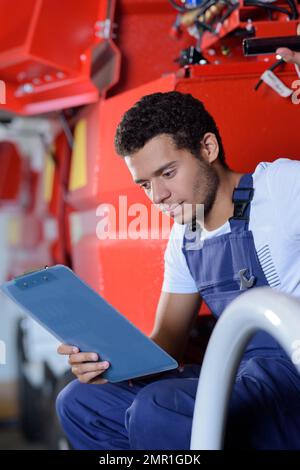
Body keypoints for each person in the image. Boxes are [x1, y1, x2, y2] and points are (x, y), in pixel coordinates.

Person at [55, 91, 300, 450]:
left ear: (208, 148)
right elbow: (168, 339)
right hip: (241, 374)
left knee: (158, 407)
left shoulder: (280, 187)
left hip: (291, 380)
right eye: (145, 185)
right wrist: (107, 361)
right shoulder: (186, 238)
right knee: (81, 402)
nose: (158, 196)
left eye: (167, 173)